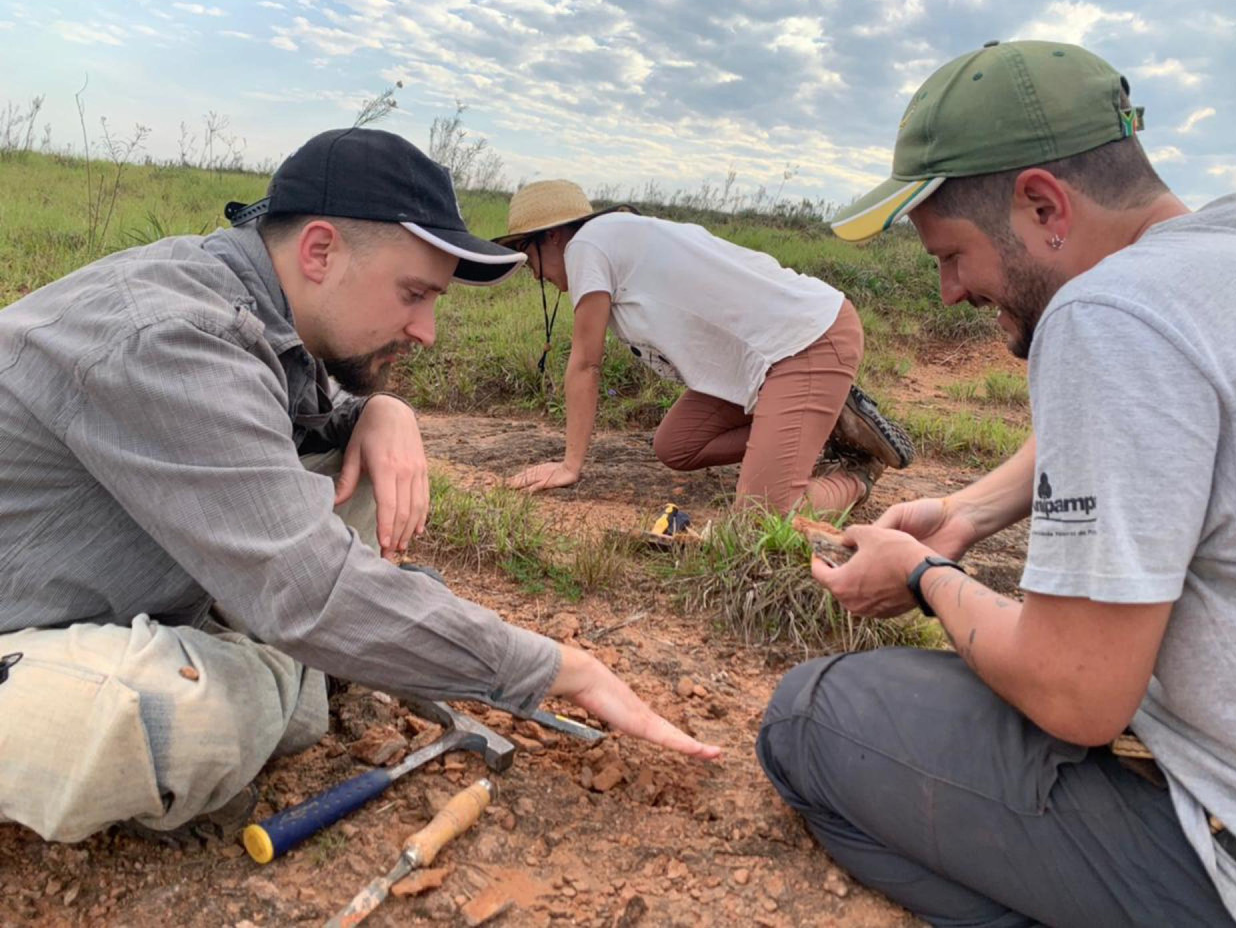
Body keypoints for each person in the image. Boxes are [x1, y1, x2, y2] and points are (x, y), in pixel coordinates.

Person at [0, 127, 717, 845]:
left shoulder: (250, 303)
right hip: (21, 614)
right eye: (414, 294)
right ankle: (294, 676)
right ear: (320, 251)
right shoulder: (173, 335)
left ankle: (307, 658)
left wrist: (376, 410)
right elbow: (311, 592)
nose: (427, 330)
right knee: (186, 720)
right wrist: (556, 668)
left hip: (92, 577)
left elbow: (271, 428)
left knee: (352, 465)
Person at [757, 40, 1236, 927]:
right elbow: (1171, 430)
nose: (951, 290)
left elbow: (1076, 692)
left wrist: (926, 579)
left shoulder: (1107, 314)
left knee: (810, 717)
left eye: (952, 254)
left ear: (1043, 205)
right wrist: (966, 511)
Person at [494, 180, 914, 514]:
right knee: (677, 445)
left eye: (527, 257)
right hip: (766, 359)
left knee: (763, 516)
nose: (534, 275)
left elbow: (585, 363)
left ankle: (857, 474)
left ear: (551, 237)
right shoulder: (614, 238)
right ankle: (826, 429)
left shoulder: (586, 244)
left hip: (807, 340)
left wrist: (570, 466)